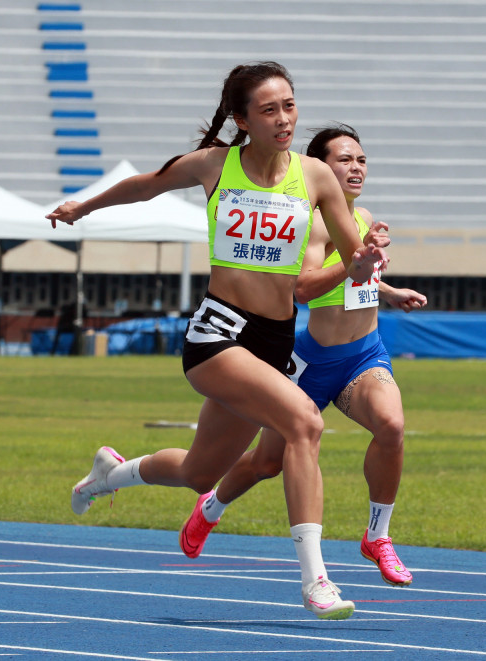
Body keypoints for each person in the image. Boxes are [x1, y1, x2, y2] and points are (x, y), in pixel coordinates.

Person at [46, 62, 388, 620]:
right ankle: (316, 580)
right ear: (242, 120)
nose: (284, 119)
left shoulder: (315, 177)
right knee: (305, 423)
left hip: (273, 342)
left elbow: (353, 263)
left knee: (199, 473)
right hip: (218, 333)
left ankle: (111, 474)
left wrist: (368, 258)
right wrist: (83, 207)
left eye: (289, 106)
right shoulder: (215, 164)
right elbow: (146, 185)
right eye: (269, 110)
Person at [178, 123, 427, 587]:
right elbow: (304, 289)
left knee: (392, 426)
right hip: (311, 362)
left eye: (361, 159)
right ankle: (210, 507)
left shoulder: (363, 215)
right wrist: (354, 263)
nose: (356, 168)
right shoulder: (308, 222)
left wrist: (388, 290)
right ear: (319, 169)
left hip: (364, 356)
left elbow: (360, 278)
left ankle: (378, 536)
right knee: (266, 463)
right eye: (344, 160)